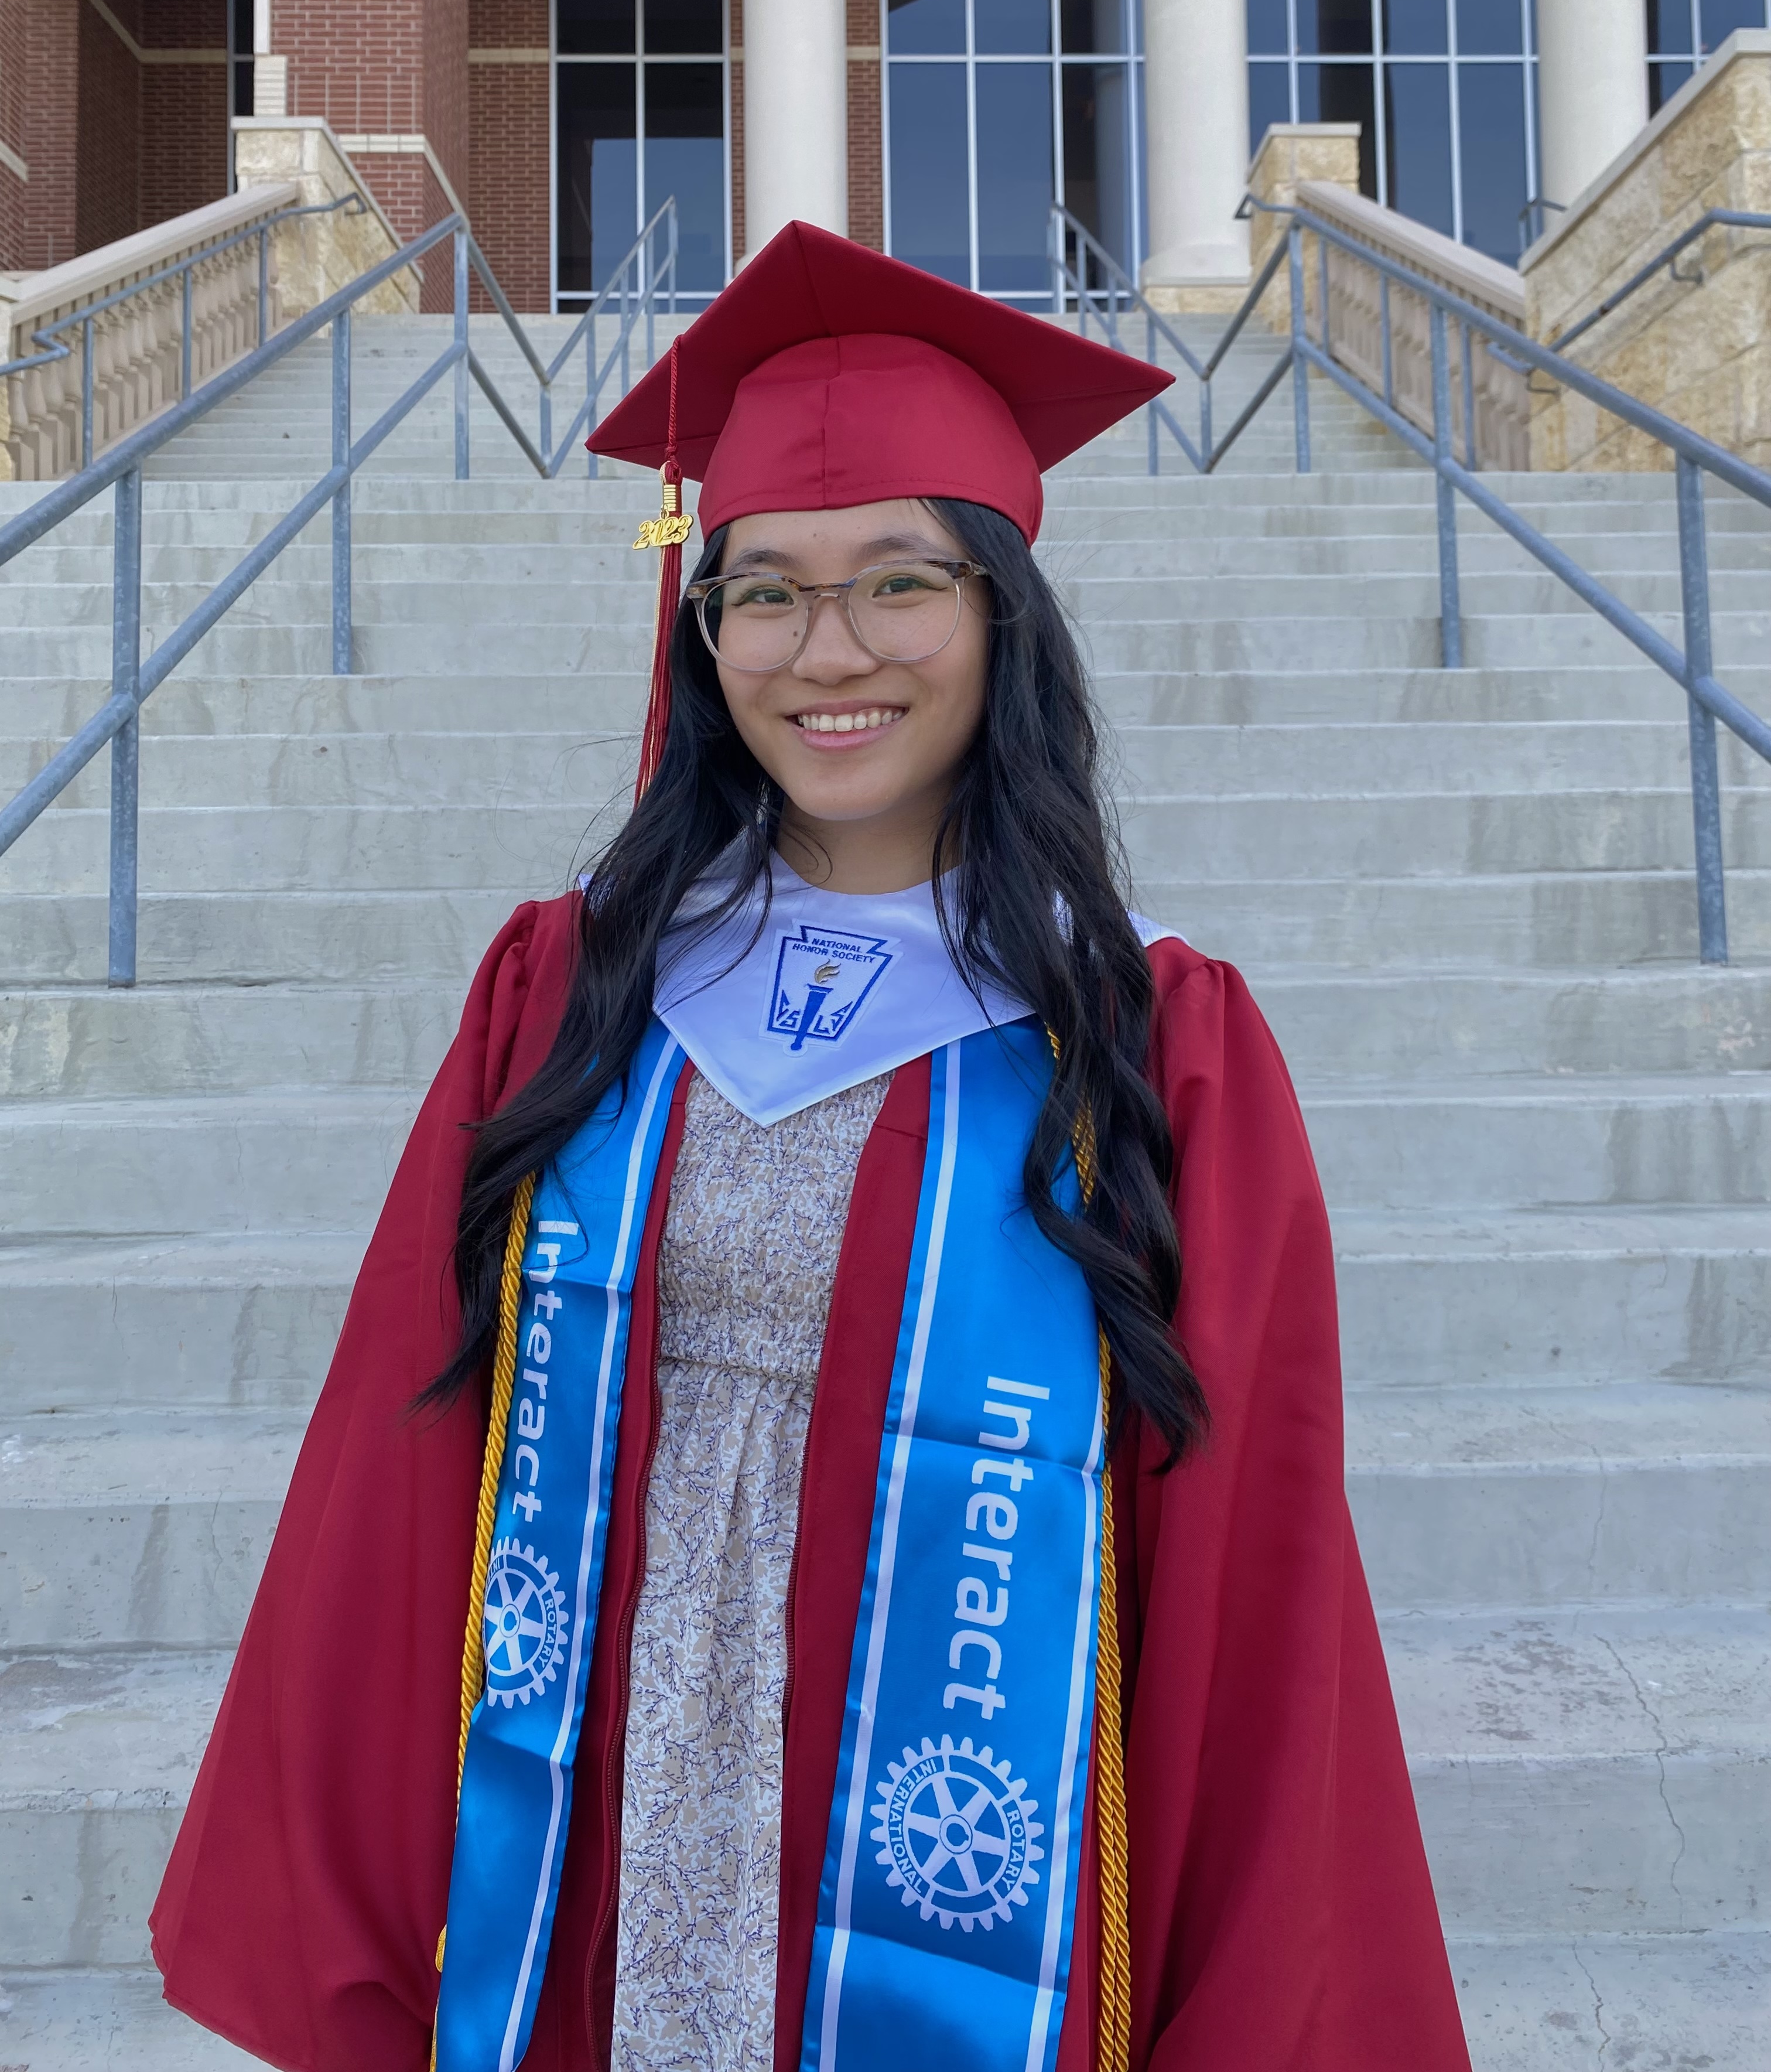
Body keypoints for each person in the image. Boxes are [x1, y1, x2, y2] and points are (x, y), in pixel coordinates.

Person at [151, 223, 1471, 2072]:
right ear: (699, 626)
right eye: (762, 590)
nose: (824, 652)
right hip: (607, 1820)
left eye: (897, 584)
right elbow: (404, 1449)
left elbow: (1253, 1589)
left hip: (953, 1846)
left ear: (1002, 609)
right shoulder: (573, 992)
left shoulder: (1150, 1053)